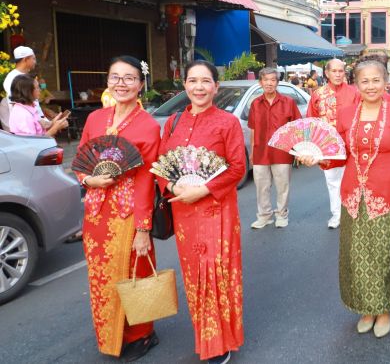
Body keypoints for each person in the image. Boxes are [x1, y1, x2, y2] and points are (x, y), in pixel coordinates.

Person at [299, 57, 390, 339]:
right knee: (356, 255)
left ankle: (385, 309)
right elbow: (339, 154)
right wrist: (317, 158)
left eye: (376, 80)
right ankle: (366, 308)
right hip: (353, 195)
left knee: (384, 254)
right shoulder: (345, 115)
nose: (370, 86)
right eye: (364, 81)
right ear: (356, 84)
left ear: (385, 82)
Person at [156, 60, 246, 364]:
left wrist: (204, 189)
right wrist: (172, 186)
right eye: (192, 81)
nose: (199, 87)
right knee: (194, 276)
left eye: (205, 81)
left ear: (216, 87)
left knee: (218, 274)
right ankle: (206, 335)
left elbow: (237, 167)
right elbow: (159, 165)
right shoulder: (172, 123)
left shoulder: (227, 122)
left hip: (217, 209)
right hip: (184, 213)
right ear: (185, 86)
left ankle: (221, 342)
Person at [75, 56, 161, 361]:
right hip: (96, 210)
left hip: (129, 211)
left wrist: (142, 228)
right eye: (115, 77)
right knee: (100, 276)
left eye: (129, 78)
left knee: (133, 271)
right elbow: (81, 160)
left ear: (140, 84)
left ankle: (142, 333)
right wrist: (88, 179)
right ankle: (109, 333)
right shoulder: (95, 119)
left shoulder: (148, 125)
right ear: (108, 81)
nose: (121, 83)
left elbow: (146, 180)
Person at [308, 58, 361, 228]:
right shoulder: (318, 94)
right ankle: (337, 215)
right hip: (328, 146)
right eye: (334, 71)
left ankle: (353, 212)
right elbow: (312, 121)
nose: (338, 74)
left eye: (341, 71)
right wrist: (313, 147)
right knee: (332, 182)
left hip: (352, 144)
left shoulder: (355, 93)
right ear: (327, 73)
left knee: (354, 180)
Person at [249, 67, 302, 229]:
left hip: (282, 153)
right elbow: (252, 129)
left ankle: (281, 214)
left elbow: (297, 128)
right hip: (260, 152)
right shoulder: (255, 104)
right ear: (260, 82)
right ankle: (264, 216)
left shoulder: (288, 102)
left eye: (273, 80)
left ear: (277, 83)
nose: (269, 83)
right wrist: (252, 152)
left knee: (282, 186)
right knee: (261, 188)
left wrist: (298, 150)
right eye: (266, 80)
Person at [1, 46, 45, 131]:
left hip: (33, 122)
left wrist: (42, 119)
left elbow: (34, 103)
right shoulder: (13, 78)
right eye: (33, 59)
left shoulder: (24, 76)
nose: (35, 62)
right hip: (24, 125)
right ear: (25, 60)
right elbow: (17, 104)